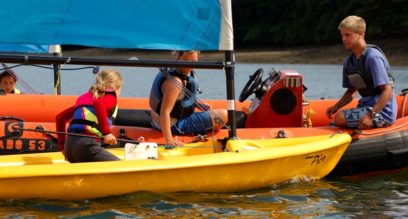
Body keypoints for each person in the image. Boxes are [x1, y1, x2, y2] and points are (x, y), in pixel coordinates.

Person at [326, 15, 397, 129]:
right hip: (364, 107)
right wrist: (336, 106)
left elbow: (387, 90)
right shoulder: (348, 62)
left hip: (382, 112)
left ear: (360, 34)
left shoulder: (373, 57)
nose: (344, 38)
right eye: (342, 35)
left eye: (348, 34)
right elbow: (351, 91)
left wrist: (370, 115)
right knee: (335, 120)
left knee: (339, 118)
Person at [149, 51, 228, 146]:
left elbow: (181, 99)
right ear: (178, 56)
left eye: (193, 61)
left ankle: (203, 126)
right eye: (186, 60)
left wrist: (199, 105)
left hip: (159, 120)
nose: (189, 64)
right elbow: (164, 112)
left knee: (216, 118)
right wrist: (169, 140)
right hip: (174, 125)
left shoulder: (175, 71)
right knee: (224, 115)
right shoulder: (175, 83)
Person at [56, 69, 123, 162]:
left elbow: (60, 117)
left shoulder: (84, 97)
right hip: (86, 146)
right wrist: (106, 133)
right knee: (120, 166)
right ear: (117, 86)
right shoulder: (110, 97)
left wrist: (62, 146)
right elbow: (99, 103)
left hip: (69, 146)